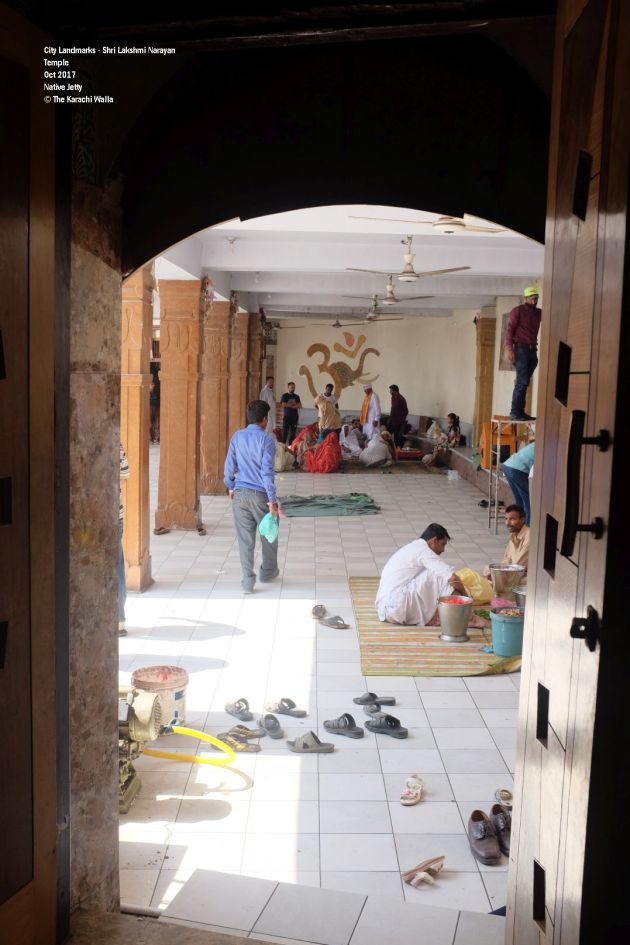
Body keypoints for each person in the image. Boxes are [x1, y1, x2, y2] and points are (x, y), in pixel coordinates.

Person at [224, 399, 280, 594]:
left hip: (240, 495)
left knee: (245, 540)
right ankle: (268, 572)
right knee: (269, 533)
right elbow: (267, 472)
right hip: (260, 496)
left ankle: (247, 582)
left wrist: (231, 486)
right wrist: (272, 500)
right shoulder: (266, 440)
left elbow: (229, 467)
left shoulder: (237, 436)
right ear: (264, 419)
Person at [376, 523, 466, 625]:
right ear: (434, 541)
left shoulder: (415, 546)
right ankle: (466, 615)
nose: (443, 550)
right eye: (442, 544)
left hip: (386, 608)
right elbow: (452, 578)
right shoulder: (424, 551)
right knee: (440, 576)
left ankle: (436, 615)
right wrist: (466, 596)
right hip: (394, 606)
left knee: (437, 574)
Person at [505, 286, 541, 421]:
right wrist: (509, 349)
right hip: (520, 349)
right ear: (525, 298)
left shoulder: (539, 313)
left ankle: (520, 412)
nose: (534, 301)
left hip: (532, 350)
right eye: (532, 299)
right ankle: (515, 412)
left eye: (536, 298)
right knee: (523, 381)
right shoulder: (518, 311)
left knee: (524, 382)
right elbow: (509, 330)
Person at [485, 505, 530, 583]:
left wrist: (498, 575)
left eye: (512, 519)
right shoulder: (514, 534)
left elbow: (518, 566)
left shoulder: (529, 536)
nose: (507, 523)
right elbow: (507, 560)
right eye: (506, 519)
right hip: (512, 571)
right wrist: (494, 572)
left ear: (522, 520)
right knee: (487, 568)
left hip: (525, 575)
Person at [502, 441, 535, 526]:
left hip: (507, 466)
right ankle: (528, 528)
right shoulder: (546, 446)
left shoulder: (537, 443)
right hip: (517, 470)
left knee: (520, 500)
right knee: (528, 501)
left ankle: (518, 525)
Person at [118, 443, 130, 636]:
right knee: (116, 568)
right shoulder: (116, 445)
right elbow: (124, 479)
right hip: (113, 514)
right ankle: (118, 620)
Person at [149, 370, 160, 443]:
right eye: (151, 384)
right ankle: (151, 437)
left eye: (153, 385)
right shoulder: (147, 392)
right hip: (150, 407)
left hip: (155, 407)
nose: (153, 386)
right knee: (149, 422)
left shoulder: (155, 392)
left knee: (156, 422)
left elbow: (158, 399)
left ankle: (155, 437)